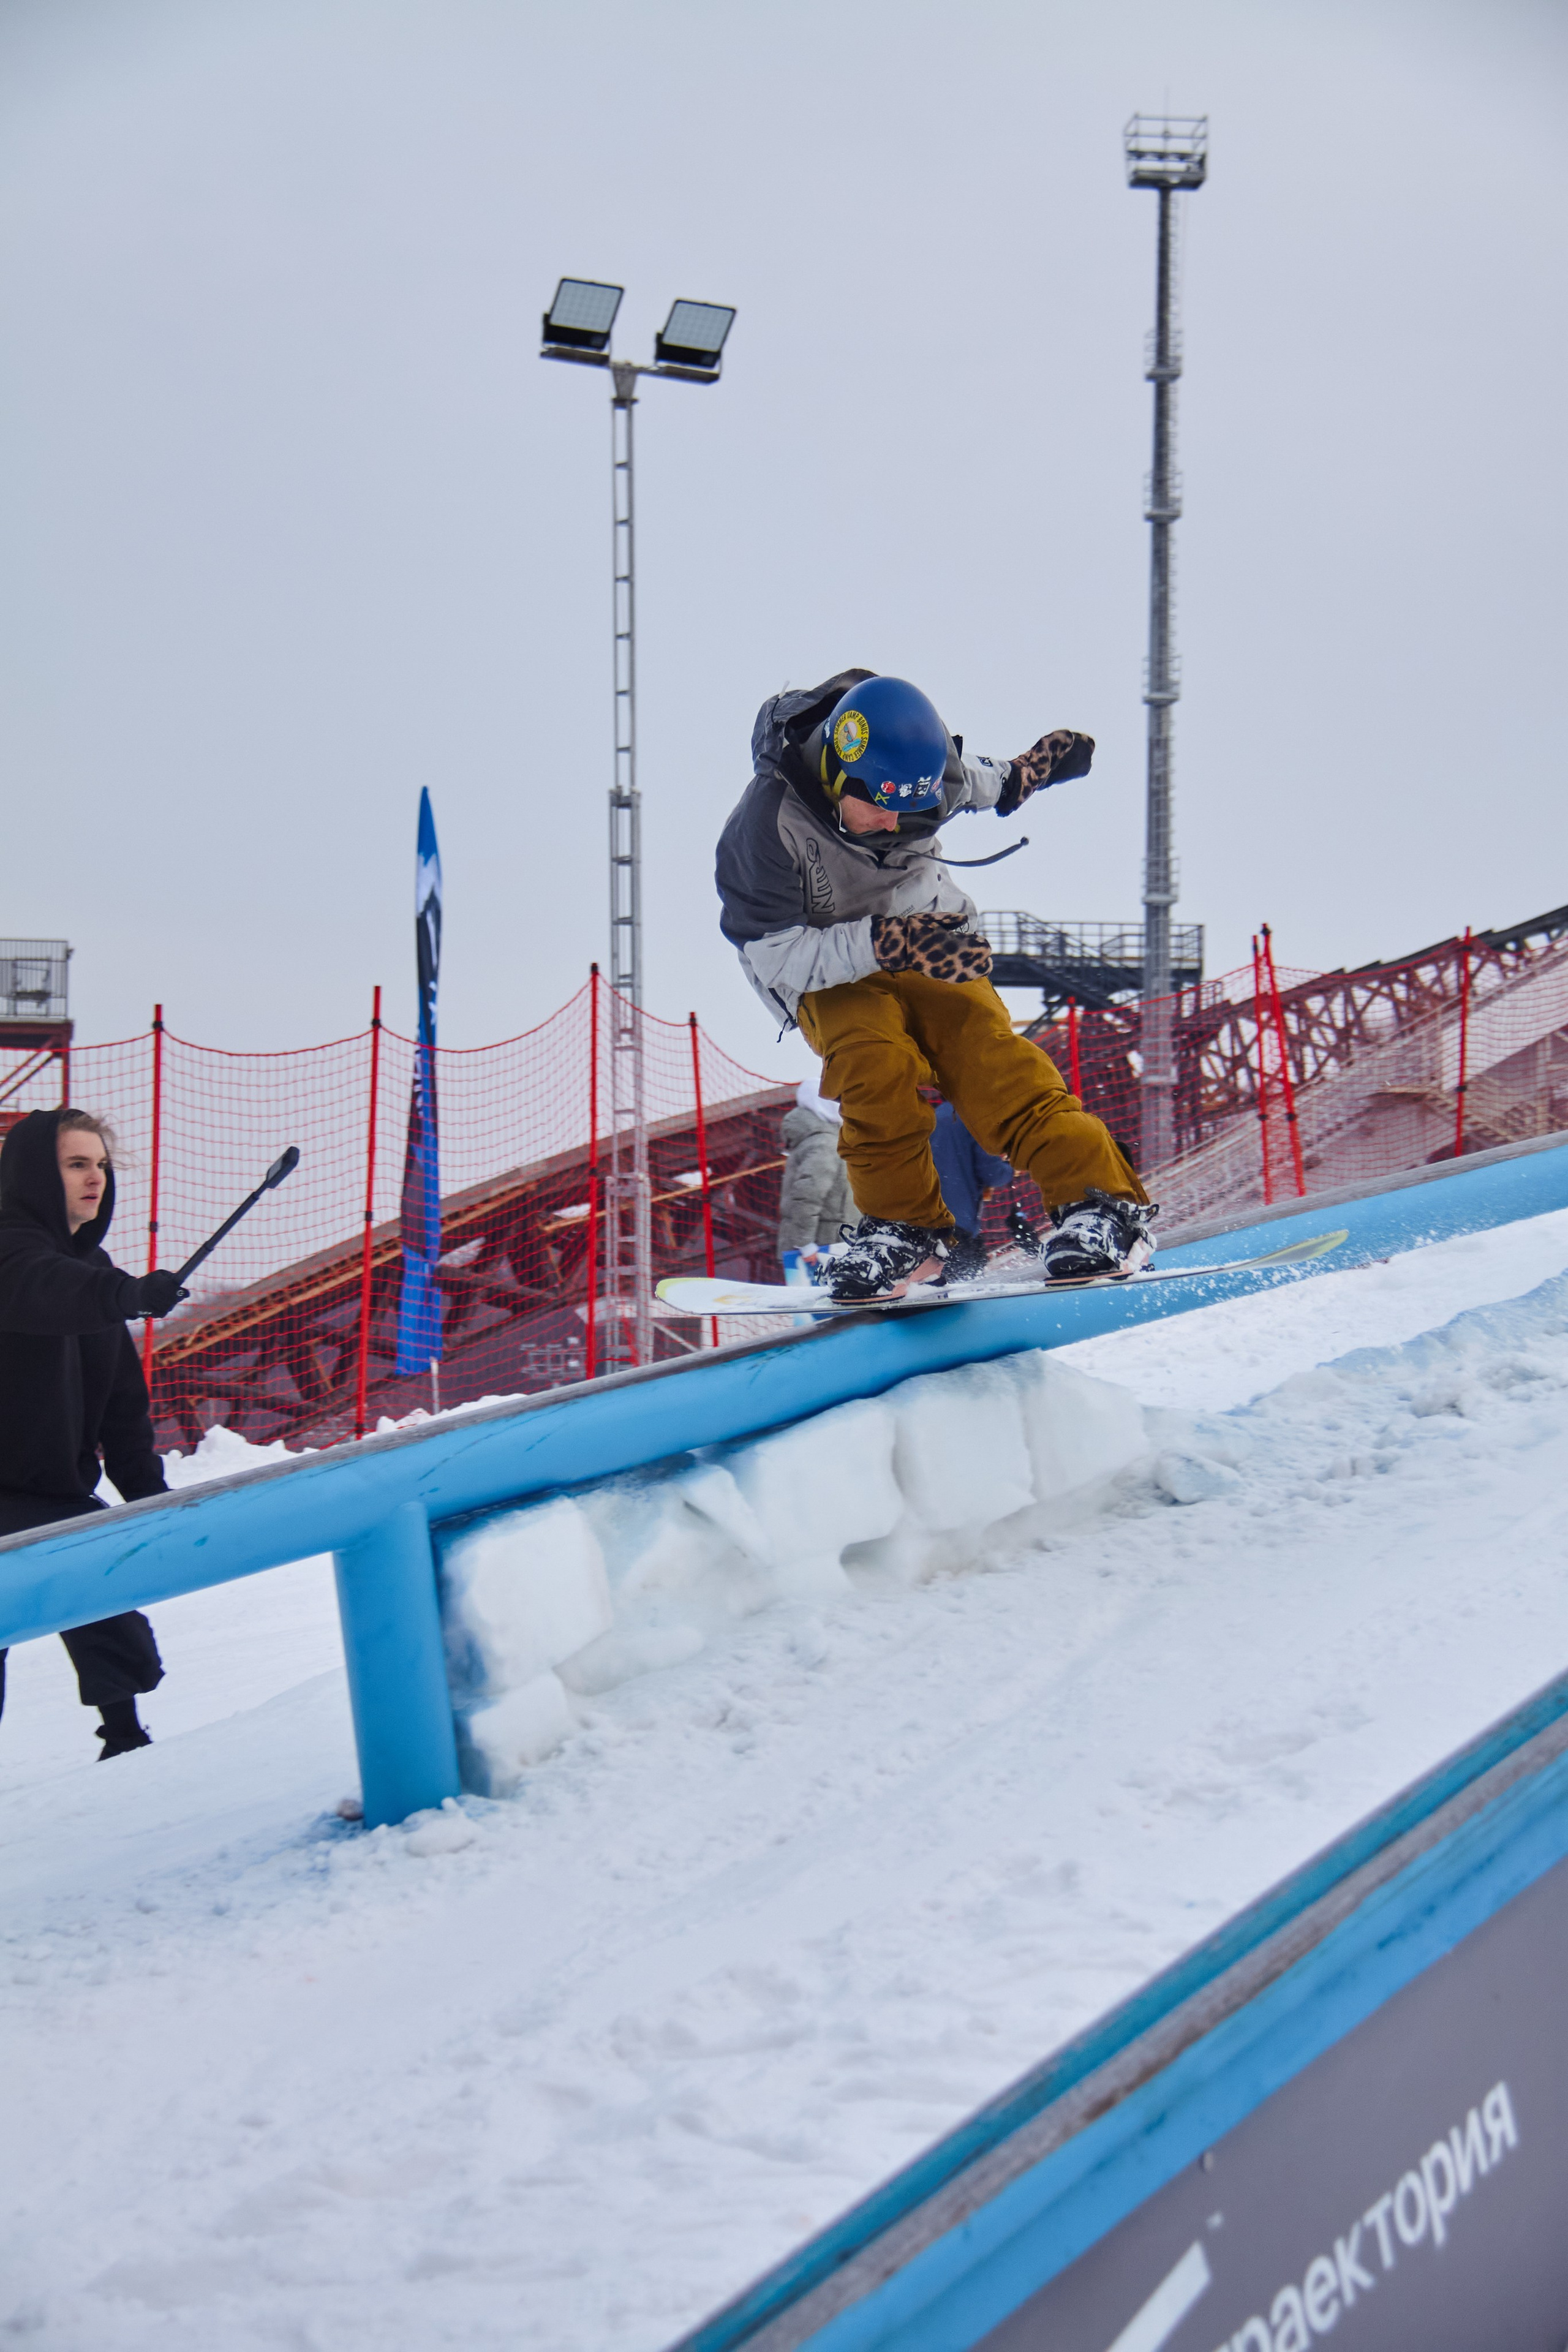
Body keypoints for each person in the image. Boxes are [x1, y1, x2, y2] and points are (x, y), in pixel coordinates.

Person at [715, 669, 1155, 1301]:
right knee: (872, 1063)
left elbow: (984, 779)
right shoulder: (762, 831)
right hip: (823, 968)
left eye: (909, 806)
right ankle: (906, 1233)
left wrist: (1027, 773)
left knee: (989, 1061)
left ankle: (1102, 1205)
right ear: (836, 774)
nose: (894, 819)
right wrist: (886, 942)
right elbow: (779, 959)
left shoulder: (927, 778)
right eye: (879, 804)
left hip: (929, 933)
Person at [0, 1108, 188, 1758]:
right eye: (76, 1164)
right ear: (33, 1173)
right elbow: (43, 1287)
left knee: (101, 1593)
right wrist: (125, 1295)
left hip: (50, 1492)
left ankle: (125, 1742)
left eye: (102, 1165)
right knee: (78, 1576)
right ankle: (124, 1739)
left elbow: (122, 1407)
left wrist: (148, 1497)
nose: (96, 1178)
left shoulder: (93, 1265)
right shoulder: (9, 1248)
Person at [777, 1077, 855, 1280]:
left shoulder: (824, 1138)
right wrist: (805, 1244)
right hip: (824, 1249)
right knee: (829, 1300)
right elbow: (807, 1195)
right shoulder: (824, 1144)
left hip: (830, 1244)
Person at [929, 1099, 1013, 1281]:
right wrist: (1011, 1168)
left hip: (930, 1220)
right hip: (959, 1221)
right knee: (966, 1283)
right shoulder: (974, 1118)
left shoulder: (935, 1117)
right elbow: (992, 1173)